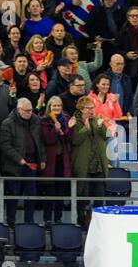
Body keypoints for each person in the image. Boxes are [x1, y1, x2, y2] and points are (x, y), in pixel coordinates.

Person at [0, 97, 46, 228]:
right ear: (19, 110)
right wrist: (19, 159)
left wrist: (42, 158)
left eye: (31, 110)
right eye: (26, 111)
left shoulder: (35, 120)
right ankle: (11, 222)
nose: (29, 113)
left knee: (31, 193)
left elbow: (40, 141)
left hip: (31, 163)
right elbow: (5, 145)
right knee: (13, 194)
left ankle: (29, 222)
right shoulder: (8, 123)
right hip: (13, 165)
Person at [71, 96, 108, 230]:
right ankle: (81, 223)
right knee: (83, 197)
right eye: (89, 108)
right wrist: (85, 129)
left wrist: (100, 126)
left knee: (100, 198)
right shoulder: (75, 121)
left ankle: (99, 223)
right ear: (81, 109)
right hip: (84, 166)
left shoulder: (96, 120)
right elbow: (74, 140)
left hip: (98, 165)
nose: (92, 110)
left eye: (93, 108)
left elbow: (105, 135)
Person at [40, 96, 74, 226]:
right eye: (54, 106)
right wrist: (55, 129)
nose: (56, 108)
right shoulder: (44, 120)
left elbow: (69, 138)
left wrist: (68, 129)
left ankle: (58, 218)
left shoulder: (66, 118)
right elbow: (48, 139)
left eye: (58, 105)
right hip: (50, 160)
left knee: (60, 191)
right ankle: (47, 219)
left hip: (62, 160)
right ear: (49, 107)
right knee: (50, 191)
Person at [87, 73, 123, 167]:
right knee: (99, 159)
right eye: (103, 84)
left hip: (110, 131)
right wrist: (99, 102)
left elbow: (119, 115)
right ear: (97, 84)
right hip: (96, 131)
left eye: (107, 84)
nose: (106, 86)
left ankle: (116, 177)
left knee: (113, 156)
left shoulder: (112, 97)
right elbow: (92, 115)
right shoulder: (90, 98)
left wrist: (115, 103)